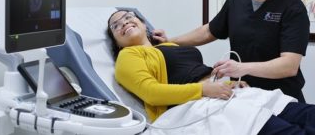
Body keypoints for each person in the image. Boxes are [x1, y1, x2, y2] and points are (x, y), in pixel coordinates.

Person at [107, 9, 315, 134]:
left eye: (128, 17)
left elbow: (194, 73)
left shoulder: (169, 46)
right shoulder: (128, 56)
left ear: (144, 24)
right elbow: (151, 93)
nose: (124, 22)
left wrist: (227, 85)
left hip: (227, 96)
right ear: (116, 41)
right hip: (198, 108)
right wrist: (204, 90)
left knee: (308, 115)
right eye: (116, 25)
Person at [153, 0, 310, 103]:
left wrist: (241, 68)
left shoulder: (293, 8)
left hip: (281, 100)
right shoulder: (237, 0)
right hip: (243, 95)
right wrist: (171, 41)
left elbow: (289, 66)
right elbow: (209, 31)